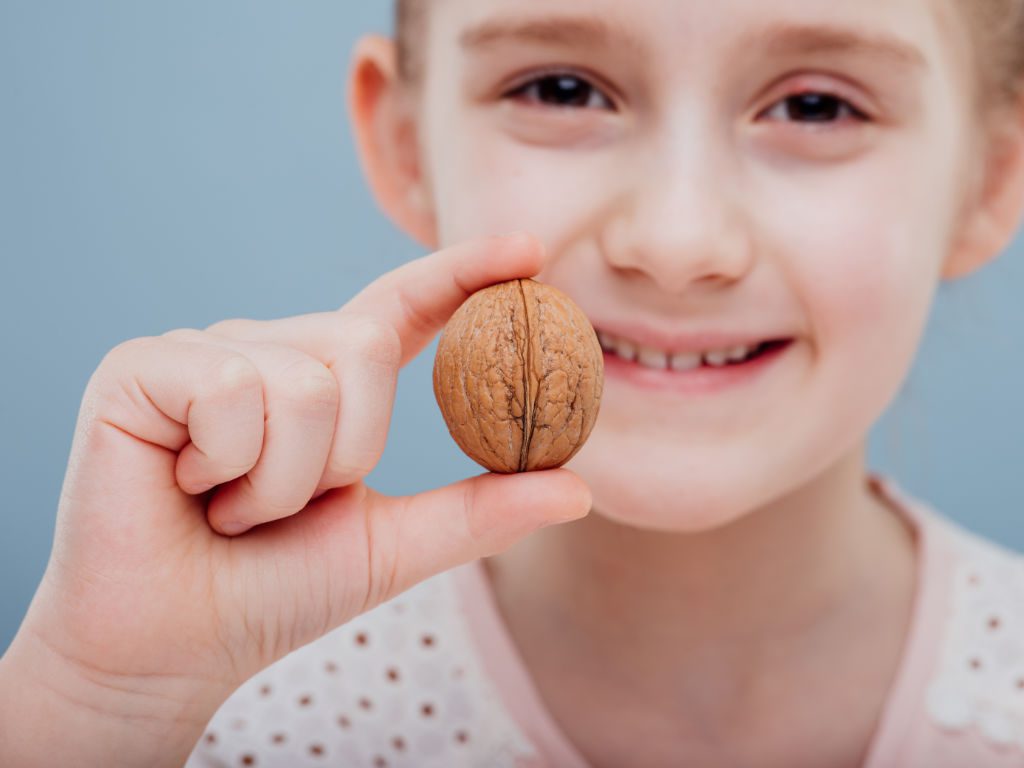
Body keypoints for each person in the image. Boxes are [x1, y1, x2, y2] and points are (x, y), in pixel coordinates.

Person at [3, 0, 1024, 765]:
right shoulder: (235, 719)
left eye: (814, 104)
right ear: (404, 144)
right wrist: (98, 705)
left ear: (987, 177)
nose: (675, 241)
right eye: (561, 89)